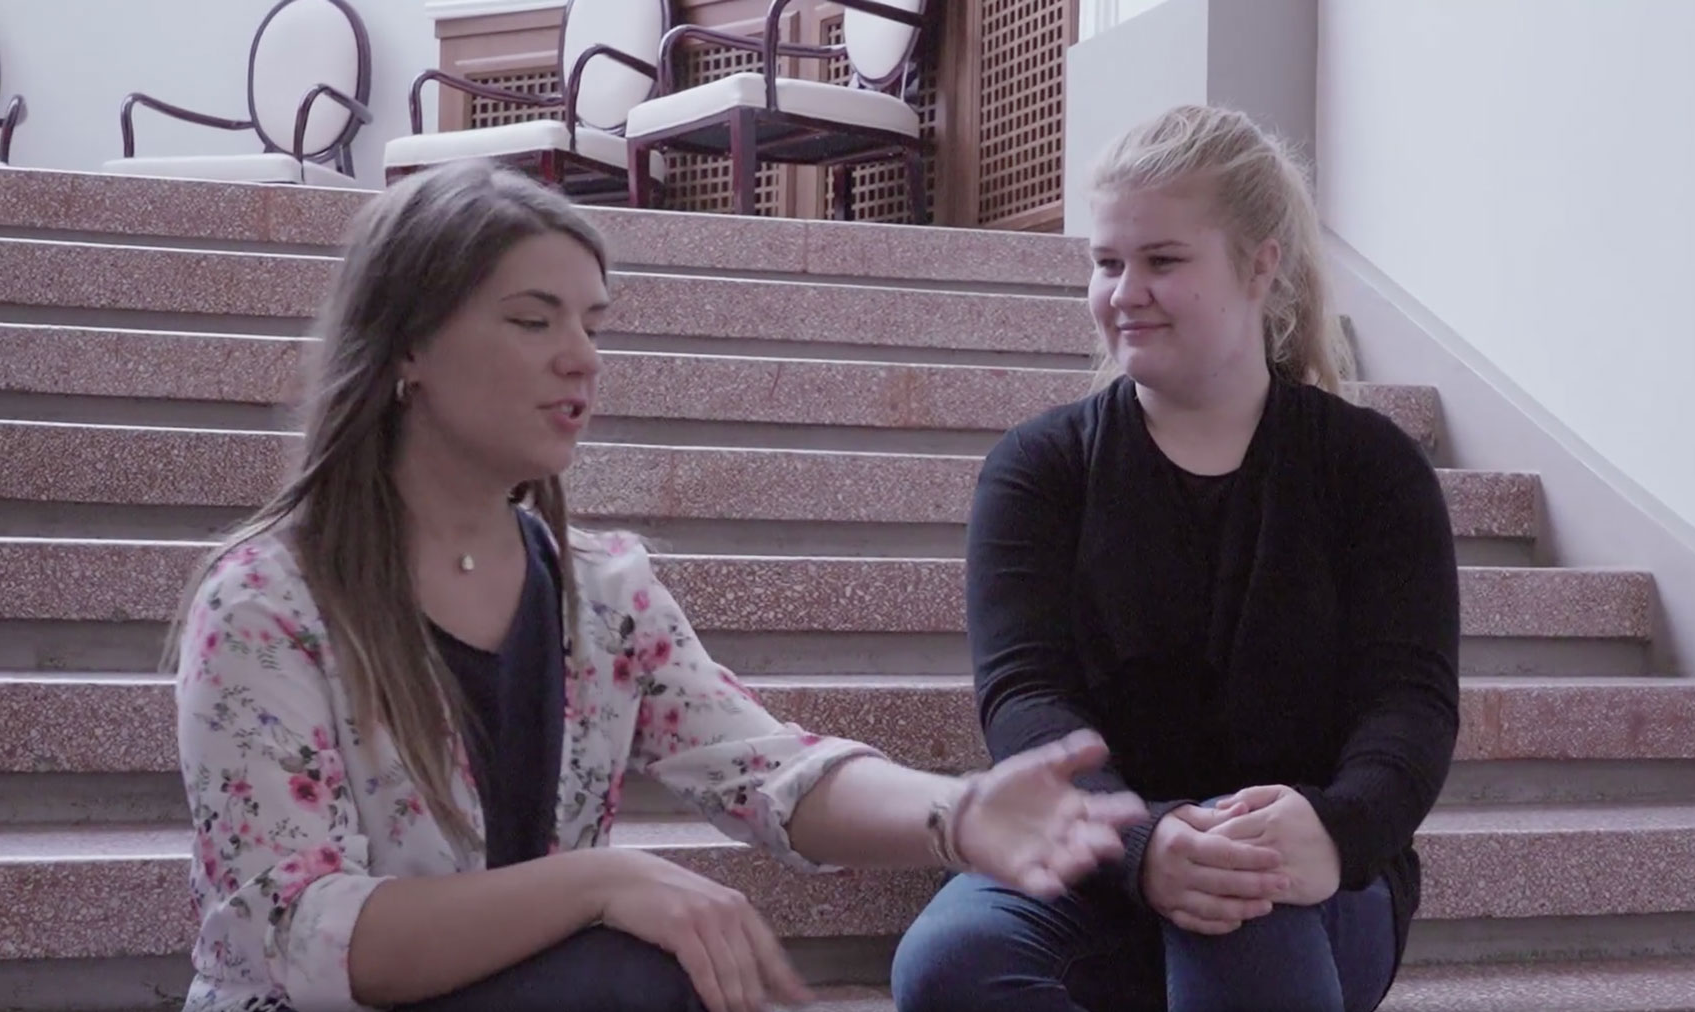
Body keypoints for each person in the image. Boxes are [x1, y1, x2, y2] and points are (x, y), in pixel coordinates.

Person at [168, 159, 1147, 1012]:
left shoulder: (601, 594)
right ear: (407, 347)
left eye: (592, 323)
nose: (581, 357)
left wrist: (959, 813)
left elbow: (768, 771)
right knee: (635, 971)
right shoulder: (267, 605)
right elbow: (309, 936)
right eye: (532, 319)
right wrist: (601, 882)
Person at [888, 105, 1462, 1011]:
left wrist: (1336, 829)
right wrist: (1141, 843)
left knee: (1242, 912)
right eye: (1107, 263)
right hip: (1094, 851)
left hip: (1305, 865)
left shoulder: (1371, 469)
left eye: (1162, 261)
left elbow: (1410, 703)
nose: (1125, 292)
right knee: (950, 963)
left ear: (1260, 265)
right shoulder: (1039, 470)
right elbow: (1025, 700)